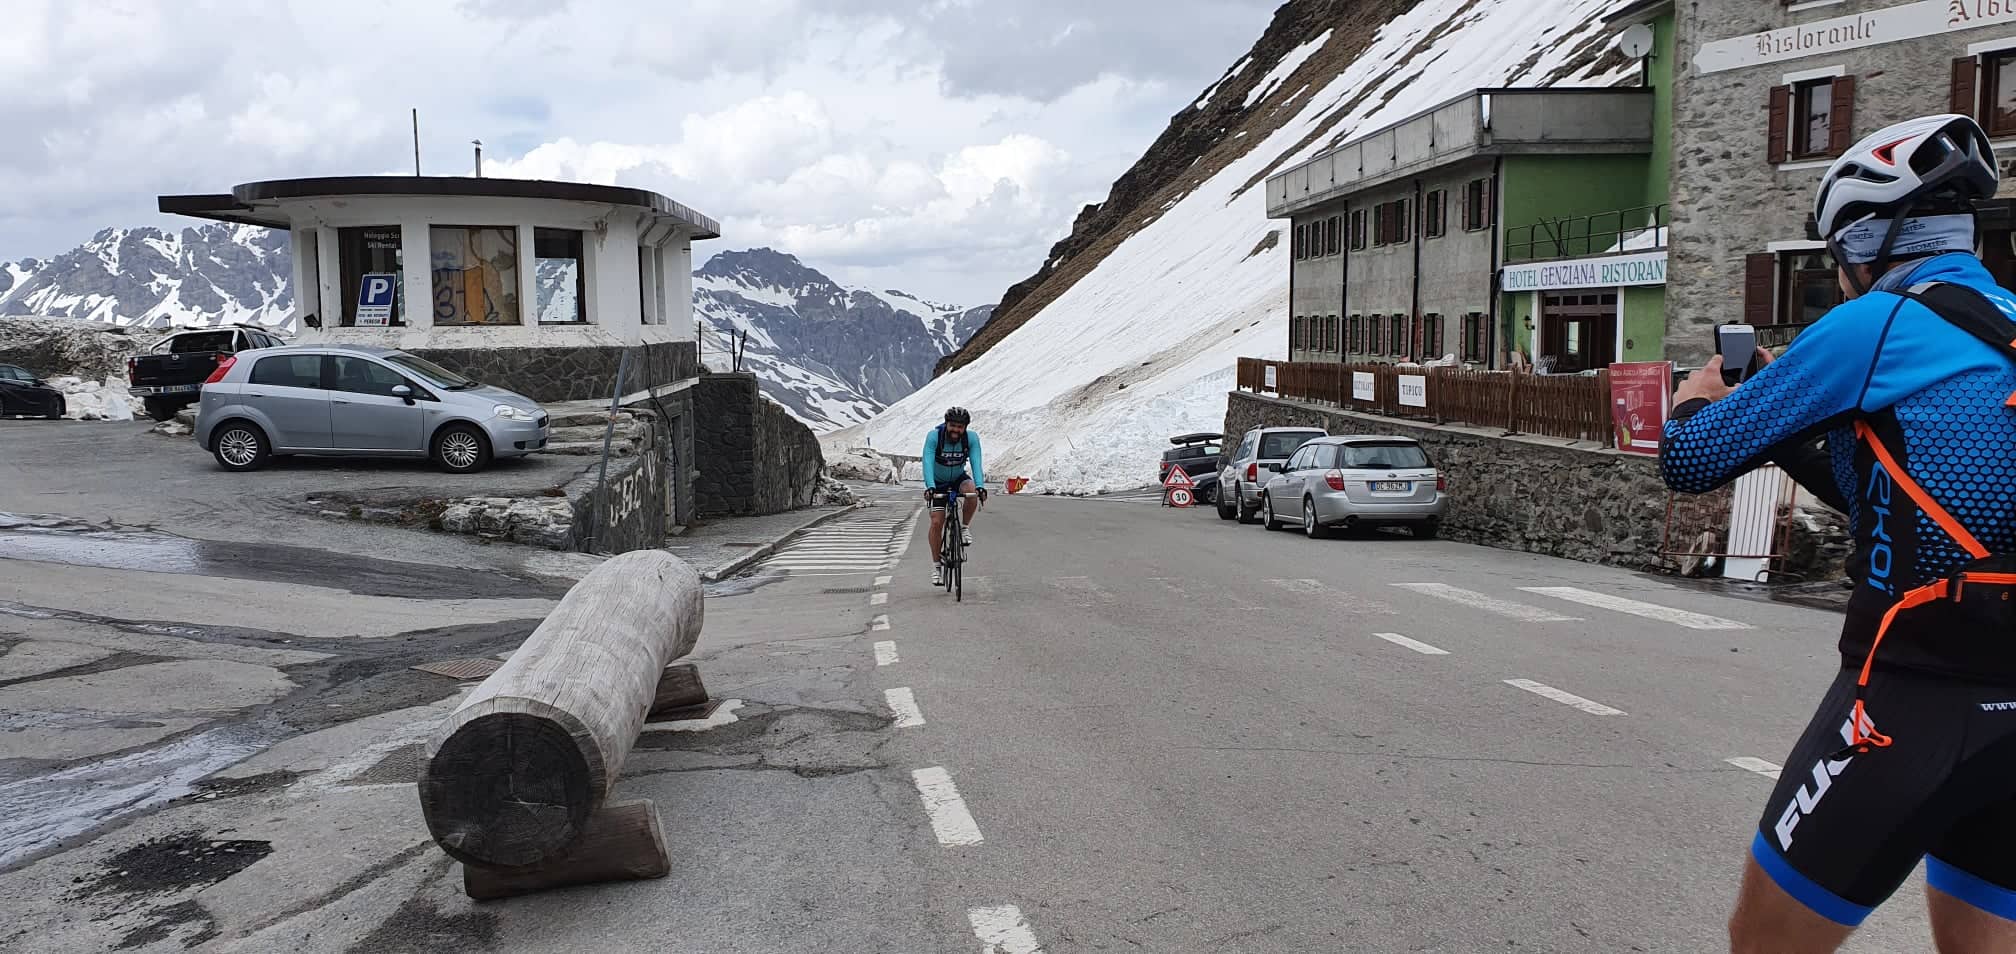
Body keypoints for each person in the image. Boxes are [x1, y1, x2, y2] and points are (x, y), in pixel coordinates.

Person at [1661, 114, 2016, 953]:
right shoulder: (2004, 322)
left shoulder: (1876, 324)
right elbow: (1900, 498)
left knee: (1764, 945)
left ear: (1863, 242)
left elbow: (1690, 460)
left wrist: (1696, 397)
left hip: (1910, 699)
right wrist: (1796, 429)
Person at [925, 406, 986, 586]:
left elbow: (976, 462)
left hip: (958, 478)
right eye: (952, 426)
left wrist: (981, 486)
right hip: (938, 482)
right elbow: (927, 461)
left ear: (965, 428)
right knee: (937, 522)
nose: (956, 430)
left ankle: (964, 528)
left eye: (960, 427)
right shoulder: (934, 437)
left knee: (972, 491)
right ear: (946, 424)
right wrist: (930, 487)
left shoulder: (971, 438)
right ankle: (937, 566)